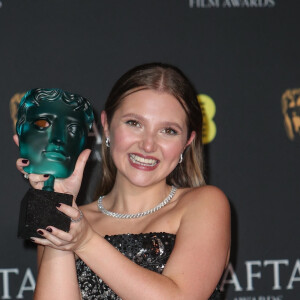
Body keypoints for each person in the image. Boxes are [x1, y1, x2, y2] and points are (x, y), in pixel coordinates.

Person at [15, 63, 231, 299]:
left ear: (187, 142)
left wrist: (85, 241)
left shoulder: (205, 204)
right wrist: (55, 203)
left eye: (168, 130)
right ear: (106, 126)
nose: (148, 145)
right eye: (134, 123)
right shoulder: (73, 219)